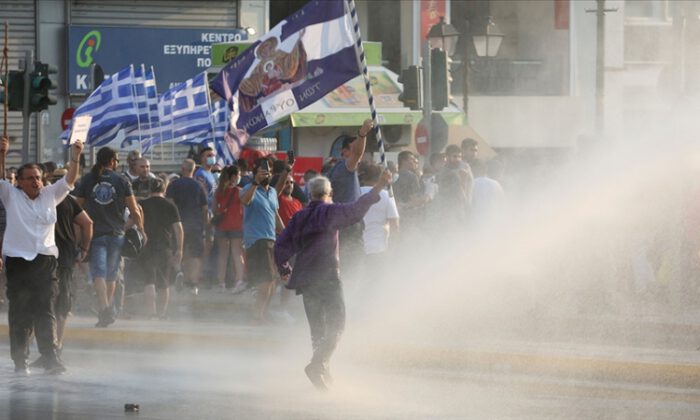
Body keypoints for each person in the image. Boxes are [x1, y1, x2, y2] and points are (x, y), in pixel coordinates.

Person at [274, 171, 392, 391]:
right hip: (327, 276)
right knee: (338, 325)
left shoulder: (299, 217)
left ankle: (323, 371)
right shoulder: (330, 212)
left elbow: (280, 245)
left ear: (310, 194)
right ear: (328, 193)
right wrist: (379, 186)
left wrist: (284, 269)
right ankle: (318, 365)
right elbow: (357, 210)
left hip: (306, 279)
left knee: (317, 330)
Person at [0, 135, 83, 375]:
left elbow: (69, 179)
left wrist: (75, 156)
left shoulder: (50, 195)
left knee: (46, 310)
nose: (36, 181)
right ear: (21, 183)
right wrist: (2, 153)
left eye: (38, 177)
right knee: (20, 312)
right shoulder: (11, 196)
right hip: (18, 263)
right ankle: (20, 360)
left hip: (45, 262)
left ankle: (50, 357)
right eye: (30, 178)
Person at [75, 147, 145, 328]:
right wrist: (141, 229)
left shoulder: (87, 180)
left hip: (95, 233)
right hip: (117, 233)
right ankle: (108, 308)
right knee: (111, 274)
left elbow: (77, 207)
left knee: (98, 272)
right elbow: (134, 209)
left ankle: (104, 308)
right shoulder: (122, 180)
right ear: (113, 161)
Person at [30, 173, 93, 369]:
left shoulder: (38, 200)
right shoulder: (69, 200)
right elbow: (87, 223)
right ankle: (55, 348)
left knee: (42, 304)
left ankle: (48, 349)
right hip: (64, 256)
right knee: (61, 304)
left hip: (42, 256)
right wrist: (83, 248)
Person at [328, 119, 374, 282]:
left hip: (342, 224)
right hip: (348, 224)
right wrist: (362, 133)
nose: (360, 148)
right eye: (354, 146)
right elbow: (357, 153)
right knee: (353, 264)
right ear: (345, 151)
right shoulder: (345, 167)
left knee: (348, 263)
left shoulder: (335, 169)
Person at [240, 158, 284, 323]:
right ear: (255, 173)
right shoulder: (248, 188)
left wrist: (287, 234)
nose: (267, 174)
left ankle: (262, 314)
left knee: (272, 281)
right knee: (265, 281)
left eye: (269, 171)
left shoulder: (272, 192)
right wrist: (255, 183)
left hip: (271, 239)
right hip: (257, 240)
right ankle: (257, 315)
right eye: (262, 171)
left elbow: (275, 215)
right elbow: (245, 201)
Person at [135, 178, 183, 319]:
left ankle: (151, 313)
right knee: (164, 282)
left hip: (146, 245)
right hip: (164, 246)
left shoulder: (142, 204)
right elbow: (178, 229)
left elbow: (133, 221)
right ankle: (162, 314)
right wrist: (179, 249)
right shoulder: (170, 205)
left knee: (149, 280)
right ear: (164, 189)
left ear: (149, 190)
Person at [166, 159, 208, 294]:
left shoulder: (174, 185)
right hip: (195, 224)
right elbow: (205, 208)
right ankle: (193, 285)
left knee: (177, 250)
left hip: (178, 224)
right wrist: (205, 225)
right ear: (193, 170)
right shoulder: (199, 186)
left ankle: (178, 273)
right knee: (195, 254)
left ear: (182, 169)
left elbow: (170, 204)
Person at [359, 164, 399, 279]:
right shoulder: (387, 196)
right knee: (376, 284)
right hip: (379, 249)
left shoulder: (355, 194)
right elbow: (395, 226)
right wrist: (392, 250)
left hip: (358, 248)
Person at [213, 165, 245, 294]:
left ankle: (221, 283)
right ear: (233, 177)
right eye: (238, 175)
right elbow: (245, 209)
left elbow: (214, 209)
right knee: (237, 254)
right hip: (236, 225)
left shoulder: (219, 191)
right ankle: (239, 281)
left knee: (223, 255)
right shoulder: (240, 191)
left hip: (222, 226)